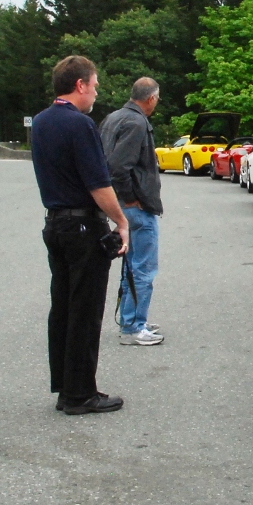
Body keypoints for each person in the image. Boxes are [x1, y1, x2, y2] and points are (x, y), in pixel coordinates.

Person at [30, 56, 129, 415]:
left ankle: (65, 386)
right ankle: (80, 393)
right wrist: (121, 221)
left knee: (63, 307)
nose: (96, 92)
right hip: (83, 226)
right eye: (95, 85)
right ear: (80, 85)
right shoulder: (80, 125)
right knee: (85, 311)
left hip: (55, 223)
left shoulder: (41, 122)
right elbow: (98, 184)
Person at [100, 77, 165, 346]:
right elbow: (118, 167)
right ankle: (133, 327)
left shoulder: (113, 118)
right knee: (143, 268)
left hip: (117, 204)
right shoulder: (137, 123)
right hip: (135, 207)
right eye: (157, 99)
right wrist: (129, 199)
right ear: (151, 98)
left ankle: (131, 319)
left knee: (131, 265)